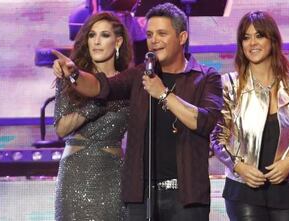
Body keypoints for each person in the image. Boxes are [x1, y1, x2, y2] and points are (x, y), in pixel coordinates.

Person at [51, 3, 223, 221]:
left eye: (162, 34)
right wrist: (74, 74)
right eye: (150, 34)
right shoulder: (140, 76)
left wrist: (163, 93)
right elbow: (102, 87)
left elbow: (205, 122)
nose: (154, 40)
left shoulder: (206, 77)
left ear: (182, 37)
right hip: (141, 198)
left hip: (186, 198)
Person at [210, 11, 289, 221]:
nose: (252, 43)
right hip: (244, 189)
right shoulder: (230, 85)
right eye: (246, 37)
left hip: (286, 188)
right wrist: (239, 167)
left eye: (259, 35)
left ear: (272, 40)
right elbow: (216, 138)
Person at [52, 12, 132, 221]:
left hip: (112, 175)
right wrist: (96, 103)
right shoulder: (70, 77)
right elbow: (61, 128)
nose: (96, 41)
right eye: (91, 35)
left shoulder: (128, 83)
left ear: (118, 41)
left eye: (104, 35)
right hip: (75, 173)